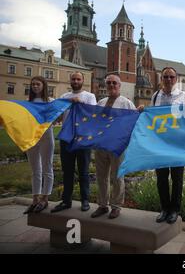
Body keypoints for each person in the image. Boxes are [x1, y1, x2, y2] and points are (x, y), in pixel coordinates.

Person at [90, 75, 143, 219]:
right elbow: (94, 122)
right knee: (101, 176)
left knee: (117, 176)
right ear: (106, 85)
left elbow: (134, 122)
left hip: (117, 145)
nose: (111, 85)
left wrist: (139, 112)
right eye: (109, 83)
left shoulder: (126, 103)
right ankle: (102, 205)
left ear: (119, 86)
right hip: (101, 144)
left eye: (114, 83)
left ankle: (116, 206)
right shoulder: (100, 103)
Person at [51, 72, 97, 213]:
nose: (76, 81)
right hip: (67, 138)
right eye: (73, 79)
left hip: (83, 138)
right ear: (70, 81)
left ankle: (85, 200)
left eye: (78, 79)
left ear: (83, 81)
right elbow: (57, 114)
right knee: (67, 172)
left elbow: (93, 114)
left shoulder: (89, 96)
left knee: (83, 171)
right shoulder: (64, 97)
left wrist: (80, 103)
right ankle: (66, 201)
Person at [151, 67, 185, 224]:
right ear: (162, 78)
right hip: (160, 144)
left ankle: (174, 210)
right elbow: (151, 117)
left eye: (171, 77)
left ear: (176, 78)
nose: (168, 79)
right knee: (161, 178)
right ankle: (164, 209)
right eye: (165, 77)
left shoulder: (184, 96)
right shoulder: (155, 96)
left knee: (177, 178)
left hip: (177, 144)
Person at [23, 76, 55, 214]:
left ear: (44, 86)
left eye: (38, 84)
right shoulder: (27, 102)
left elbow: (56, 117)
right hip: (31, 137)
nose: (35, 86)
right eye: (33, 84)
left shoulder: (51, 102)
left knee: (47, 167)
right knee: (35, 169)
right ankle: (35, 199)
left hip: (46, 136)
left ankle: (45, 198)